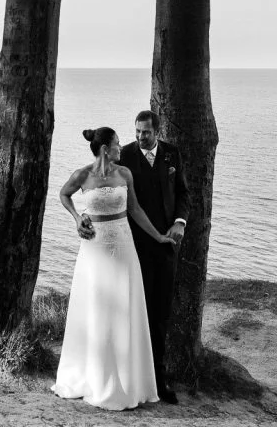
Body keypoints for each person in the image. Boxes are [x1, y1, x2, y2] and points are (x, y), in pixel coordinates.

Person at [51, 126, 176, 411]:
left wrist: (158, 236)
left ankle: (128, 379)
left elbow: (135, 210)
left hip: (123, 247)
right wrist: (76, 218)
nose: (122, 147)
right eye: (118, 144)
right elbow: (64, 195)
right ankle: (93, 377)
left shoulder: (124, 174)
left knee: (124, 307)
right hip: (93, 251)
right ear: (106, 148)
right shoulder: (82, 175)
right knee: (96, 308)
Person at [118, 109, 190, 405]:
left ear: (157, 131)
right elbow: (107, 186)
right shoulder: (124, 155)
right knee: (131, 312)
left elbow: (184, 194)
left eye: (145, 132)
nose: (140, 137)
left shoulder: (172, 154)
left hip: (165, 247)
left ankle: (159, 381)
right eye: (136, 131)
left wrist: (180, 222)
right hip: (132, 246)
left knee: (159, 315)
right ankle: (131, 377)